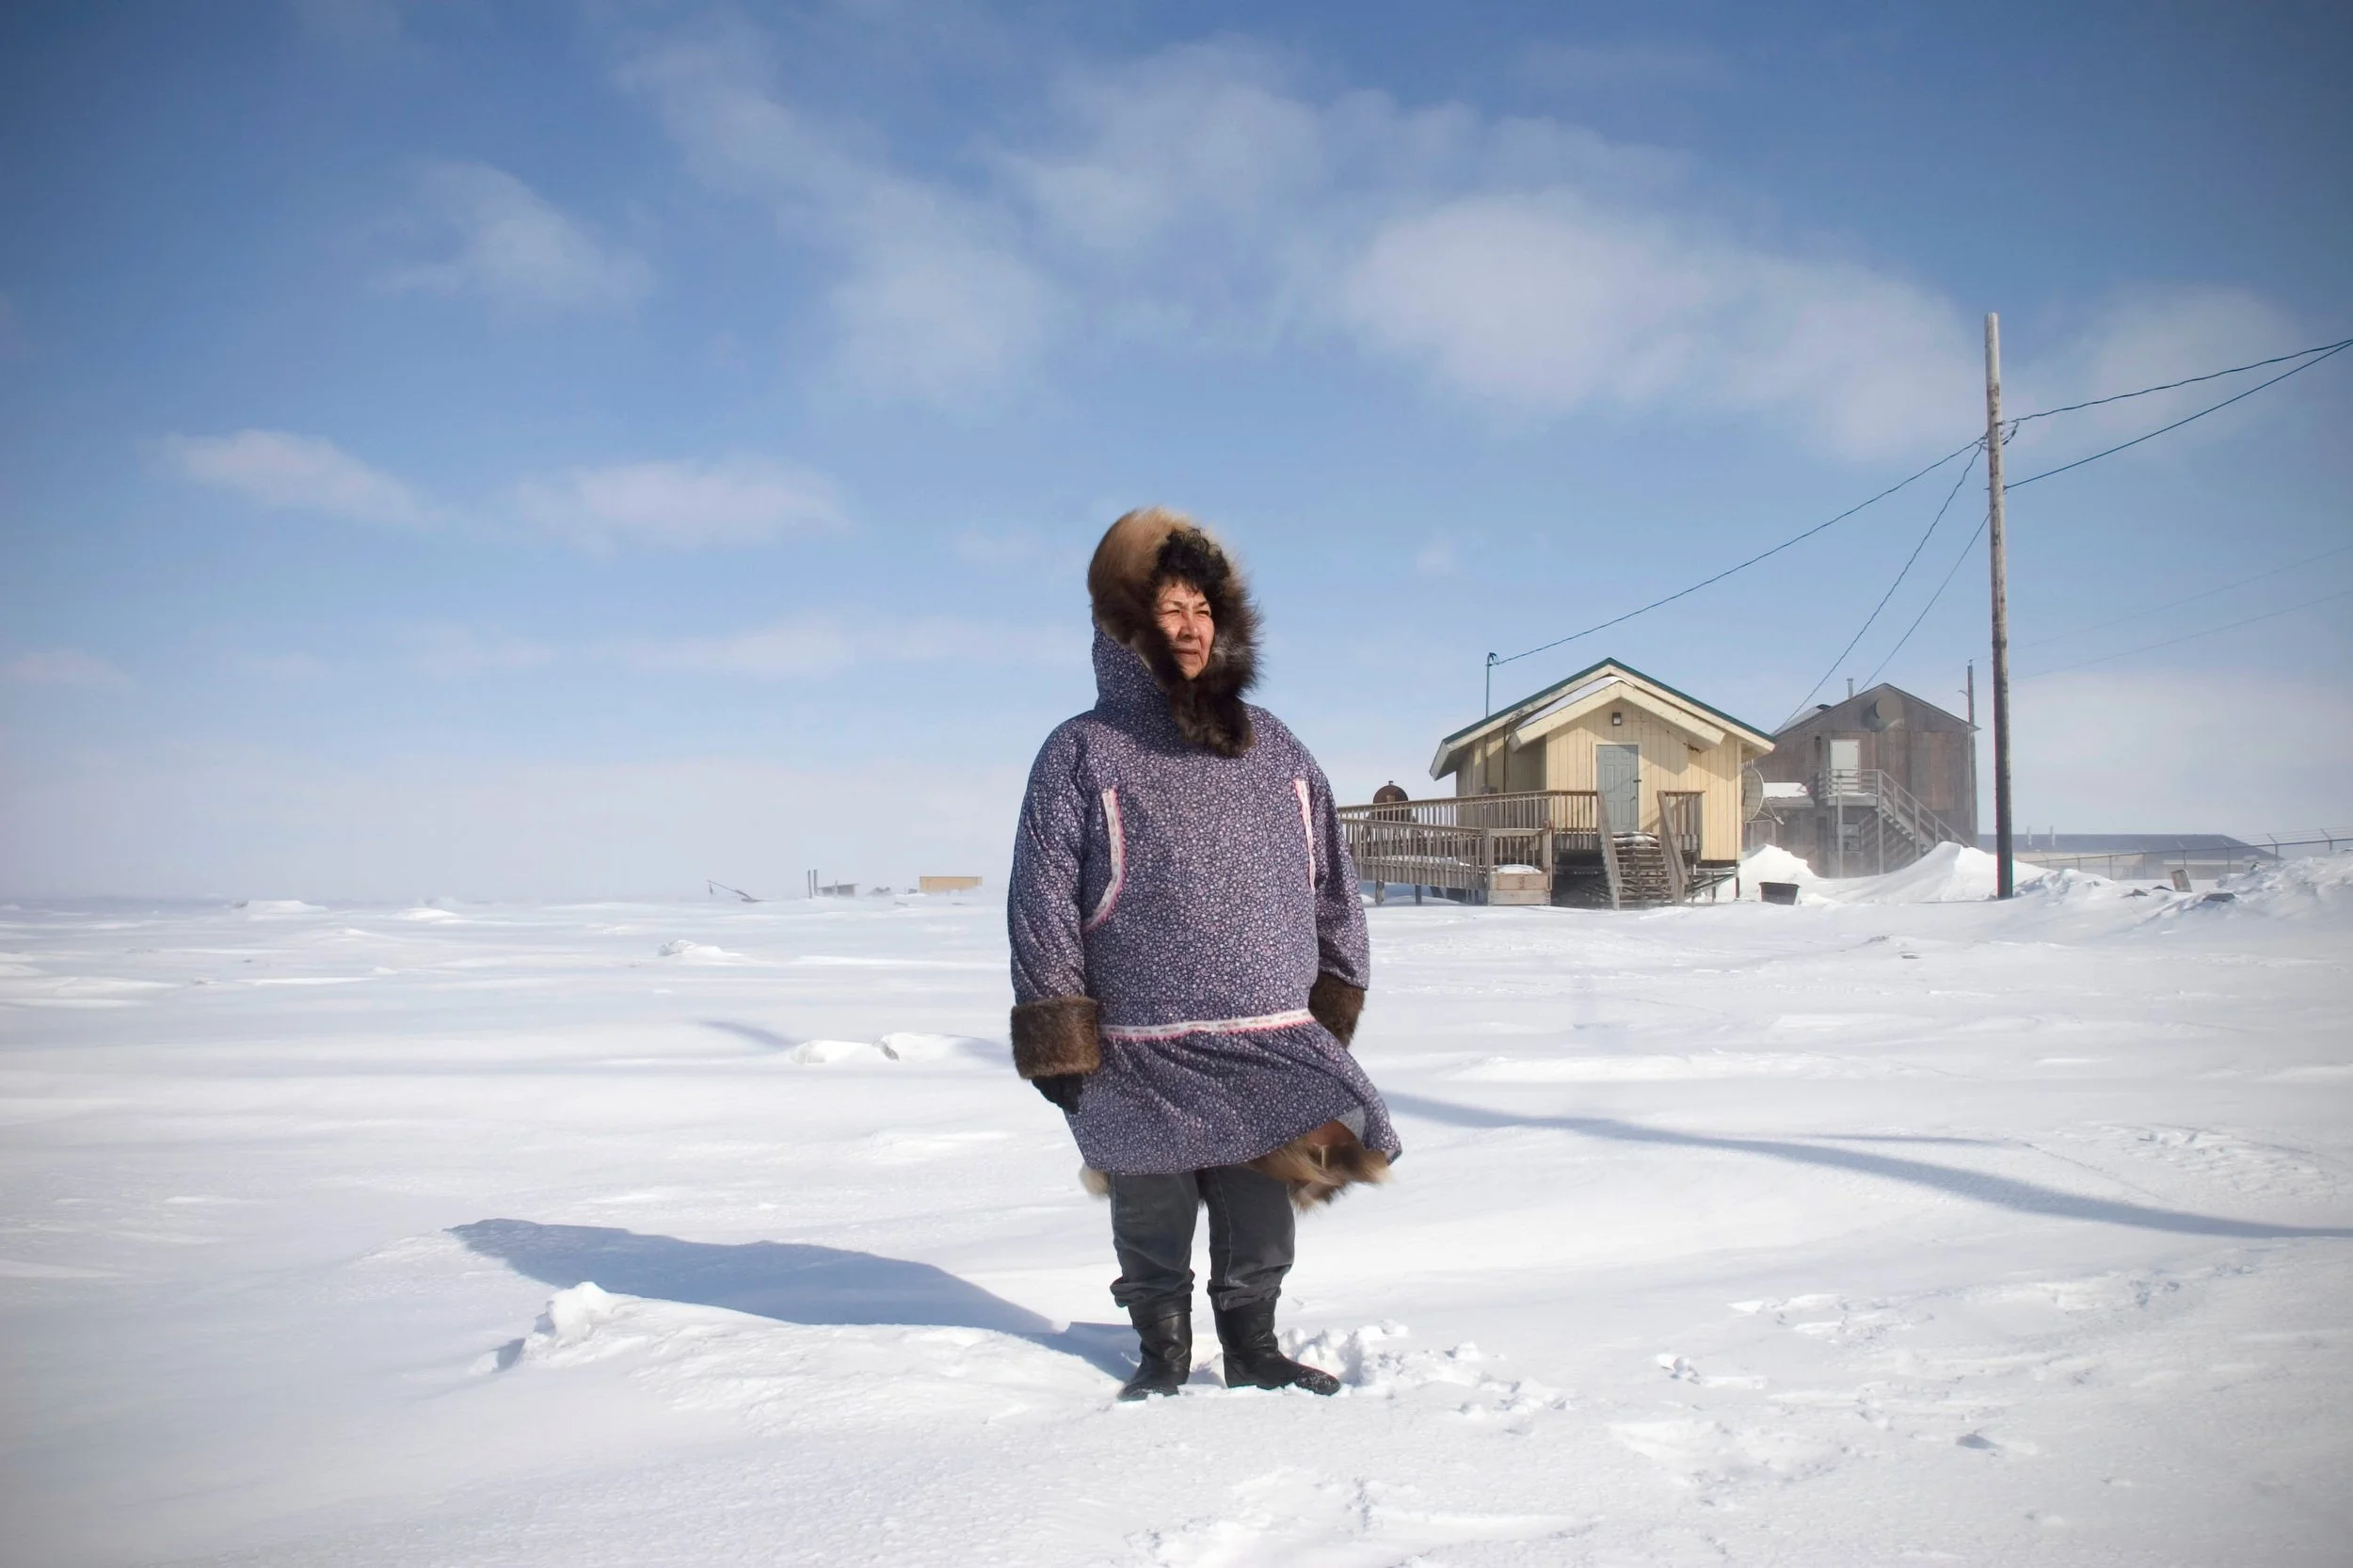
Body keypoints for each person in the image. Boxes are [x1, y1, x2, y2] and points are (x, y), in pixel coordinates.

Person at [1007, 506, 1401, 1401]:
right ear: (1125, 626)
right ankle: (1162, 1353)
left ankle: (1255, 1346)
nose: (1188, 628)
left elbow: (1330, 877)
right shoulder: (1081, 751)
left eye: (1201, 609)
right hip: (1139, 1039)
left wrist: (1335, 993)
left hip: (1266, 1028)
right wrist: (1060, 1033)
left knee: (1262, 1205)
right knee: (1150, 1204)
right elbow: (1041, 902)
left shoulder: (1275, 747)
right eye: (1168, 608)